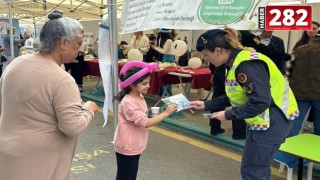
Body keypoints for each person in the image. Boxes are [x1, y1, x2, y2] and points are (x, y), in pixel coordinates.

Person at [0, 10, 98, 180]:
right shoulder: (62, 79)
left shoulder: (15, 64)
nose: (79, 50)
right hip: (41, 162)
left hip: (8, 153)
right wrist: (88, 109)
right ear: (63, 43)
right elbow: (72, 127)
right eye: (78, 44)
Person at [189, 28, 299, 179]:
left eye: (206, 55)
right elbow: (236, 95)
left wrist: (227, 114)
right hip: (265, 117)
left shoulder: (246, 64)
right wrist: (206, 105)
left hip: (273, 118)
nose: (207, 60)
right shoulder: (235, 62)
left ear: (218, 51)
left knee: (253, 170)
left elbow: (260, 102)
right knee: (256, 168)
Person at [114, 61, 177, 180]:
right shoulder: (129, 102)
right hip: (128, 146)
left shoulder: (138, 95)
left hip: (134, 144)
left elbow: (142, 114)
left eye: (148, 83)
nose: (148, 86)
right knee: (127, 176)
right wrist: (166, 112)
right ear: (132, 85)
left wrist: (156, 110)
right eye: (144, 83)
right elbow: (145, 122)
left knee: (128, 175)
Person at [151, 28, 175, 96]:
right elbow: (164, 50)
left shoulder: (168, 41)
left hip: (168, 58)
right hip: (166, 57)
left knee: (167, 78)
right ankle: (163, 94)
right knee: (164, 77)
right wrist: (157, 47)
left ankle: (168, 94)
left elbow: (164, 51)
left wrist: (155, 48)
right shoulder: (168, 40)